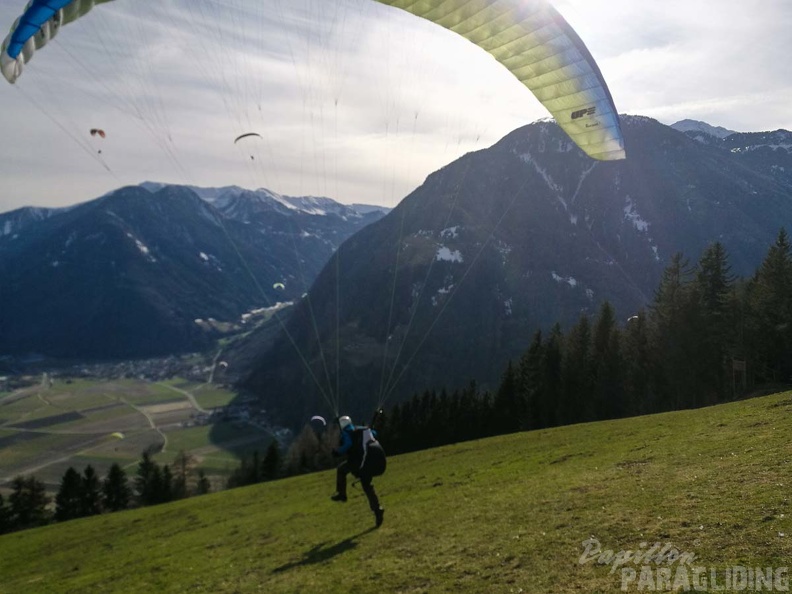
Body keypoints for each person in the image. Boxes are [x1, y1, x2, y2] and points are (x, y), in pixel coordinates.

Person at [331, 415, 386, 528]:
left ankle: (342, 494)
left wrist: (338, 452)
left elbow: (348, 444)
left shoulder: (346, 432)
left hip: (360, 462)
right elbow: (374, 434)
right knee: (366, 485)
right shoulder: (363, 429)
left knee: (341, 470)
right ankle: (377, 510)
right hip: (372, 461)